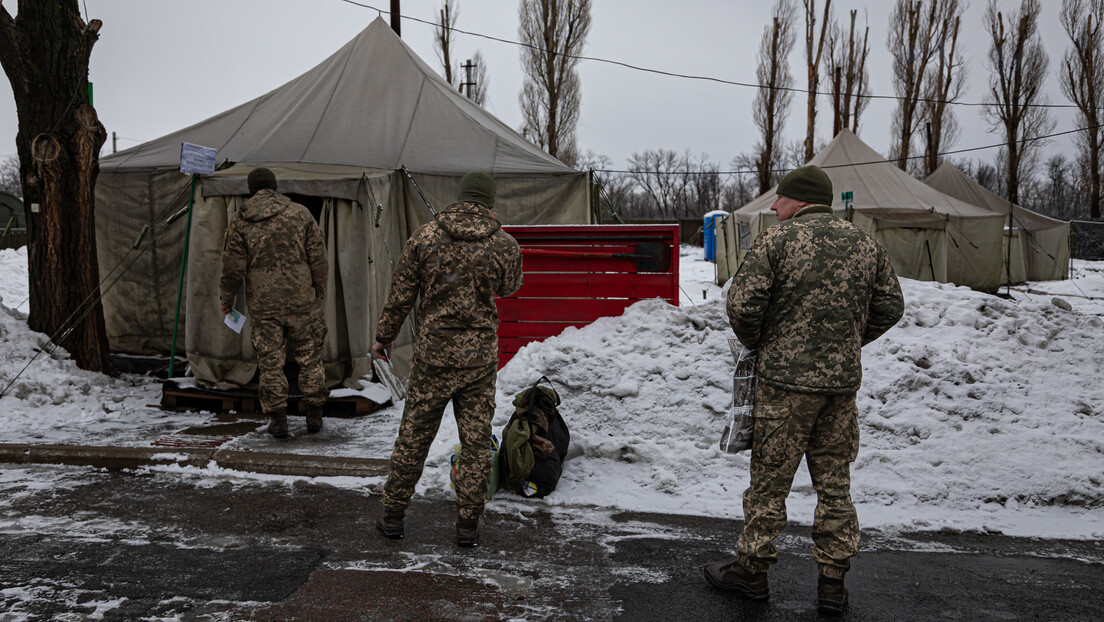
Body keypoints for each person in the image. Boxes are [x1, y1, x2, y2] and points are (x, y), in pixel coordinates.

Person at [704, 165, 904, 614]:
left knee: (769, 484)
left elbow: (742, 302)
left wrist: (764, 342)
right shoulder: (866, 243)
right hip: (839, 388)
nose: (773, 207)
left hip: (785, 387)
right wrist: (847, 342)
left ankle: (752, 573)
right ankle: (833, 587)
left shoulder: (778, 240)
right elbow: (891, 305)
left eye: (780, 199)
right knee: (835, 484)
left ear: (798, 201)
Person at [372, 171, 522, 548]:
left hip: (431, 359)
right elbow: (511, 287)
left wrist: (383, 338)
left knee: (414, 437)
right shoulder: (504, 244)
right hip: (478, 363)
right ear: (489, 202)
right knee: (474, 444)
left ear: (460, 197)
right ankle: (468, 526)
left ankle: (392, 516)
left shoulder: (425, 236)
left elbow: (402, 293)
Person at [219, 167, 329, 439]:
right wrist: (319, 290)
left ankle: (278, 419)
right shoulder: (300, 213)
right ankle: (314, 414)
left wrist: (227, 299)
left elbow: (232, 267)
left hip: (264, 306)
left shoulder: (241, 220)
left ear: (250, 189)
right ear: (275, 187)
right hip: (302, 301)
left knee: (270, 363)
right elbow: (318, 257)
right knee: (310, 358)